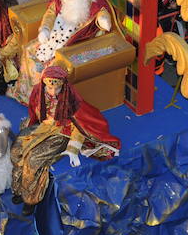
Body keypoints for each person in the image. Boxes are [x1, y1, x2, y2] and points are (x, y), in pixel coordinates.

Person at [11, 65, 120, 215]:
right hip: (42, 127)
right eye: (49, 88)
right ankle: (18, 188)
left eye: (57, 89)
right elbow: (35, 112)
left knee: (34, 160)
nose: (53, 92)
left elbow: (79, 125)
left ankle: (30, 198)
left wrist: (73, 149)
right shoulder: (38, 92)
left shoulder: (70, 100)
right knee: (17, 150)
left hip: (62, 133)